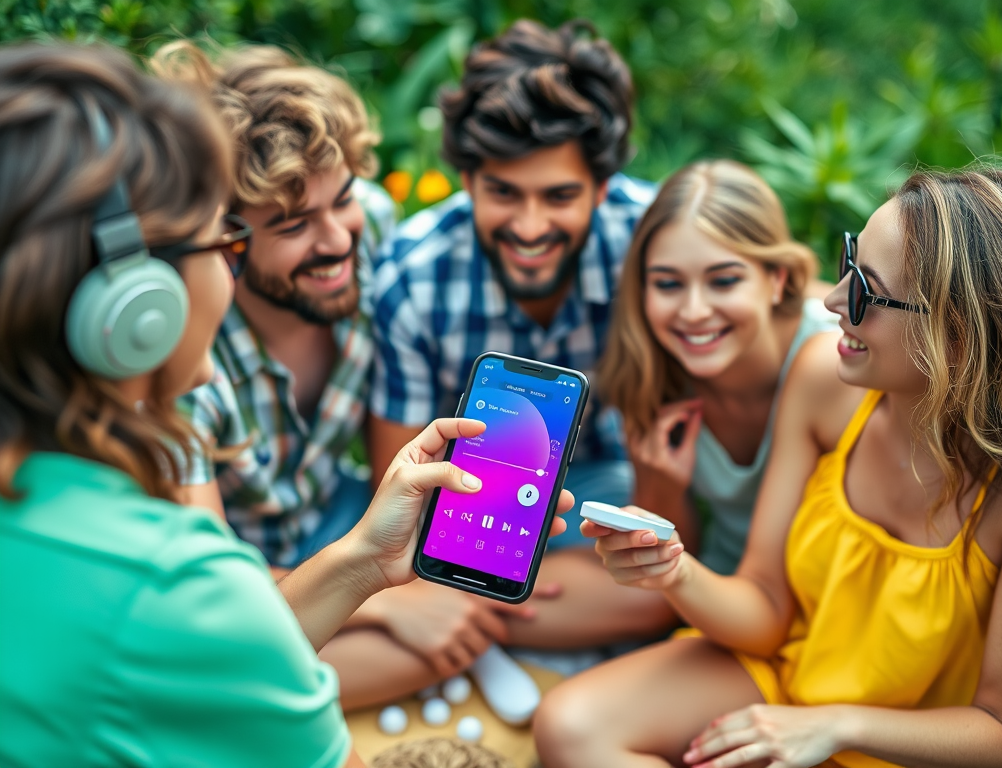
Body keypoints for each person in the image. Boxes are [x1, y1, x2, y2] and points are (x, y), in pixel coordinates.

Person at [0, 42, 571, 768]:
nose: (334, 237)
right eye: (220, 235)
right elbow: (217, 639)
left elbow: (219, 654)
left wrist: (366, 560)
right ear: (139, 309)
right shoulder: (176, 576)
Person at [534, 164, 1002, 768]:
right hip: (791, 667)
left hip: (909, 737)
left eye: (865, 291)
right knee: (570, 726)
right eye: (848, 264)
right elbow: (766, 608)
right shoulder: (823, 378)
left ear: (959, 334)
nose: (831, 299)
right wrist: (674, 570)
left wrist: (836, 725)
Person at [366, 18, 666, 687]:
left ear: (602, 186)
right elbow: (398, 481)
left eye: (559, 196)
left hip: (604, 487)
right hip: (464, 508)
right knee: (435, 580)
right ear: (468, 180)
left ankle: (479, 618)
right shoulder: (413, 279)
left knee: (657, 578)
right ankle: (488, 609)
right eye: (504, 193)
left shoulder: (652, 248)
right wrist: (430, 584)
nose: (530, 228)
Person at [156, 42, 397, 574]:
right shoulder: (189, 348)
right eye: (293, 224)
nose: (337, 241)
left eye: (343, 199)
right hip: (243, 575)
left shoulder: (374, 227)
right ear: (222, 239)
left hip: (344, 520)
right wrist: (380, 606)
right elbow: (208, 584)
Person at [599, 159, 836, 576]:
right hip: (729, 587)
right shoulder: (650, 373)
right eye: (668, 284)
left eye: (724, 281)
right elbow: (670, 558)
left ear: (776, 279)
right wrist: (661, 485)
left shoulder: (837, 358)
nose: (693, 312)